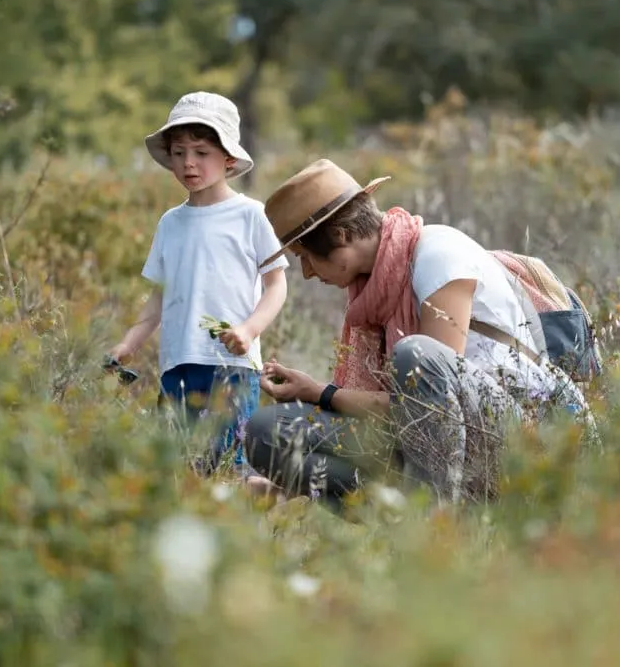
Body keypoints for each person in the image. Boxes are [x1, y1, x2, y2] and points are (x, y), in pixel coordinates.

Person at [242, 159, 593, 510]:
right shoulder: (375, 289)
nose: (305, 272)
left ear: (340, 235)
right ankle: (400, 514)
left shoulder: (438, 257)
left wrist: (323, 392)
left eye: (305, 256)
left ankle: (433, 526)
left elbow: (430, 399)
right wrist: (315, 393)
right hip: (440, 436)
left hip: (521, 429)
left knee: (417, 354)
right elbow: (415, 411)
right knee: (267, 431)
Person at [107, 91, 289, 475]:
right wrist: (128, 344)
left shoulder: (250, 215)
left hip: (231, 366)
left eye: (201, 152)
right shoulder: (170, 223)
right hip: (178, 364)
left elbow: (276, 285)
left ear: (228, 159)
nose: (188, 163)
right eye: (178, 153)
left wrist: (249, 329)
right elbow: (159, 298)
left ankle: (272, 498)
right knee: (182, 468)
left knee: (227, 468)